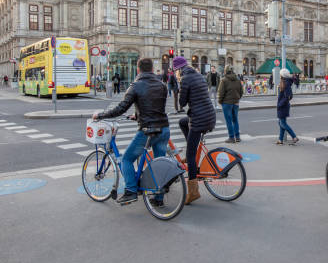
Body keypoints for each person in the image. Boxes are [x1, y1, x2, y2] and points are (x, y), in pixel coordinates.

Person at [92, 58, 170, 205]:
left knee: (127, 159)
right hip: (164, 128)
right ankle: (158, 199)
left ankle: (131, 191)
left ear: (138, 70)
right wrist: (138, 115)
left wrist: (100, 115)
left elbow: (121, 108)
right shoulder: (162, 85)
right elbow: (156, 107)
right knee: (159, 163)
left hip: (148, 131)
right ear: (152, 69)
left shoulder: (135, 86)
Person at [173, 56, 216, 205]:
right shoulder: (198, 75)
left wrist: (179, 88)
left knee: (190, 156)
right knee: (182, 122)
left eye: (175, 71)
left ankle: (193, 192)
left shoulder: (185, 79)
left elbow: (182, 103)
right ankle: (192, 146)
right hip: (209, 115)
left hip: (199, 119)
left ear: (178, 70)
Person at [218, 65, 243, 143]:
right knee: (235, 120)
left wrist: (220, 101)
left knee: (229, 120)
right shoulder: (238, 80)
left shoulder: (224, 80)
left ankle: (231, 137)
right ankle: (237, 137)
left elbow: (221, 93)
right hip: (235, 103)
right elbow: (241, 91)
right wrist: (237, 98)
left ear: (225, 71)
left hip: (226, 103)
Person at [276, 68, 299, 145]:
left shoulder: (286, 83)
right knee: (281, 123)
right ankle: (280, 140)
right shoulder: (284, 82)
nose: (279, 75)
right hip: (282, 106)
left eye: (280, 74)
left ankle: (294, 137)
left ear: (282, 75)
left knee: (282, 123)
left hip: (283, 106)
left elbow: (289, 96)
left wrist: (280, 104)